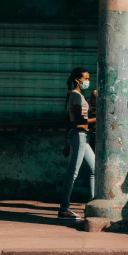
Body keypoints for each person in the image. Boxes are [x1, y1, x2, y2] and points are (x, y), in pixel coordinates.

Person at [58, 67, 96, 220]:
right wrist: (100, 119)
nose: (88, 81)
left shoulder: (75, 96)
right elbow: (79, 121)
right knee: (73, 172)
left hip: (80, 136)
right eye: (86, 78)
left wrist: (66, 141)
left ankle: (93, 204)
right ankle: (64, 208)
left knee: (95, 168)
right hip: (79, 136)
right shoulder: (77, 96)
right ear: (78, 80)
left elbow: (69, 121)